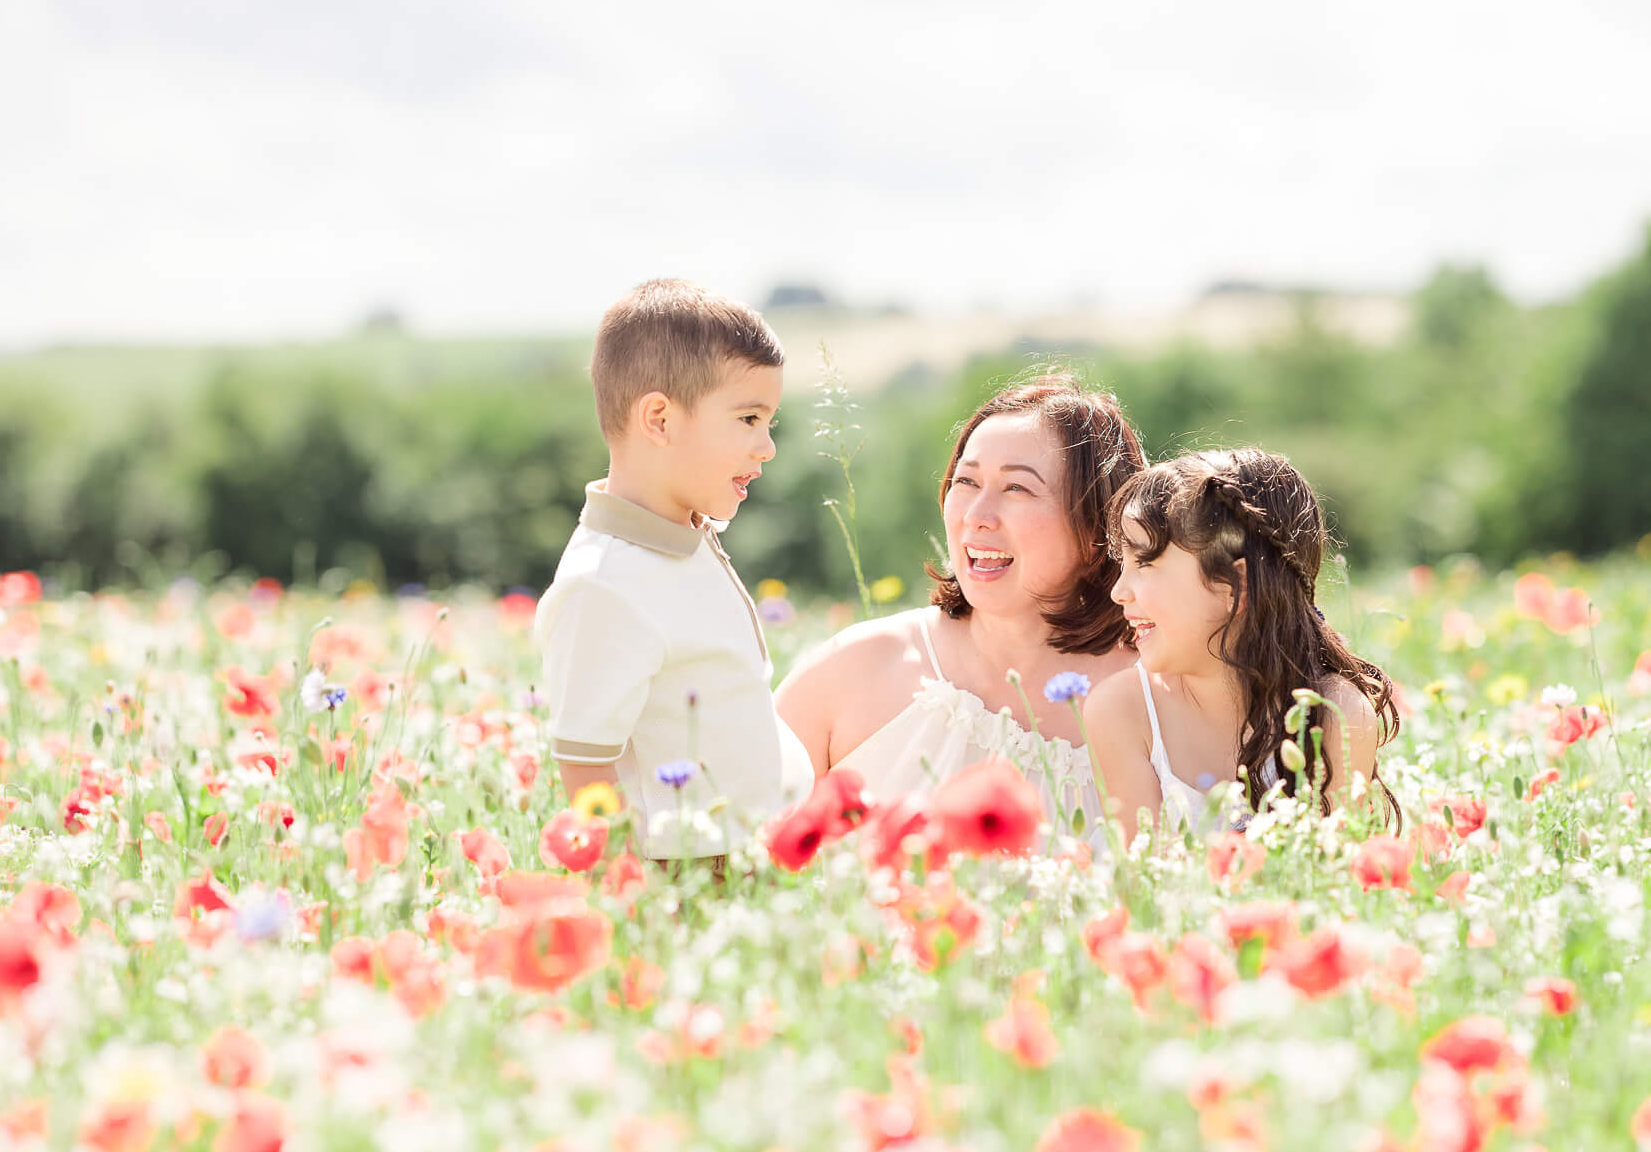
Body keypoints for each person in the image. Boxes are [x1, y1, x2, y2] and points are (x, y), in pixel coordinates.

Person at [776, 374, 1145, 822]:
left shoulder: (1162, 698)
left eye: (1016, 488)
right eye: (966, 482)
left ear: (1095, 529)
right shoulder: (854, 667)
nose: (975, 516)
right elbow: (731, 857)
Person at [534, 279, 814, 861]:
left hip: (757, 850)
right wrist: (629, 900)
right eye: (748, 419)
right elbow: (586, 766)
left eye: (770, 423)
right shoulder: (604, 582)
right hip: (692, 874)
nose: (767, 447)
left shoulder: (686, 534)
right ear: (659, 419)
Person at [1082, 447, 1403, 843]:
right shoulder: (1122, 710)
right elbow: (1143, 886)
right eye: (1122, 564)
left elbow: (1340, 884)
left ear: (1236, 586)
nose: (1118, 591)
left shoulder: (1334, 712)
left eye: (1145, 562)